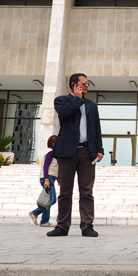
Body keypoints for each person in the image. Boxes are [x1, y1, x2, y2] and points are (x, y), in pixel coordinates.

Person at [47, 73, 104, 238]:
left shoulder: (91, 105)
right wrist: (77, 99)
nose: (87, 85)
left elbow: (96, 128)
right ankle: (62, 226)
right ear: (73, 85)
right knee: (65, 191)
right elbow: (65, 114)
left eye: (88, 83)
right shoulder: (61, 101)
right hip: (67, 153)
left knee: (87, 192)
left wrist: (99, 148)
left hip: (87, 152)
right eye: (83, 83)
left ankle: (87, 226)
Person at [29, 135, 58, 227]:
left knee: (52, 200)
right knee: (50, 200)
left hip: (50, 178)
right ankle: (42, 219)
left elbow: (54, 167)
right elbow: (46, 166)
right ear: (53, 143)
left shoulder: (54, 153)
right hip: (48, 178)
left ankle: (36, 214)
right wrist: (46, 179)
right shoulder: (50, 153)